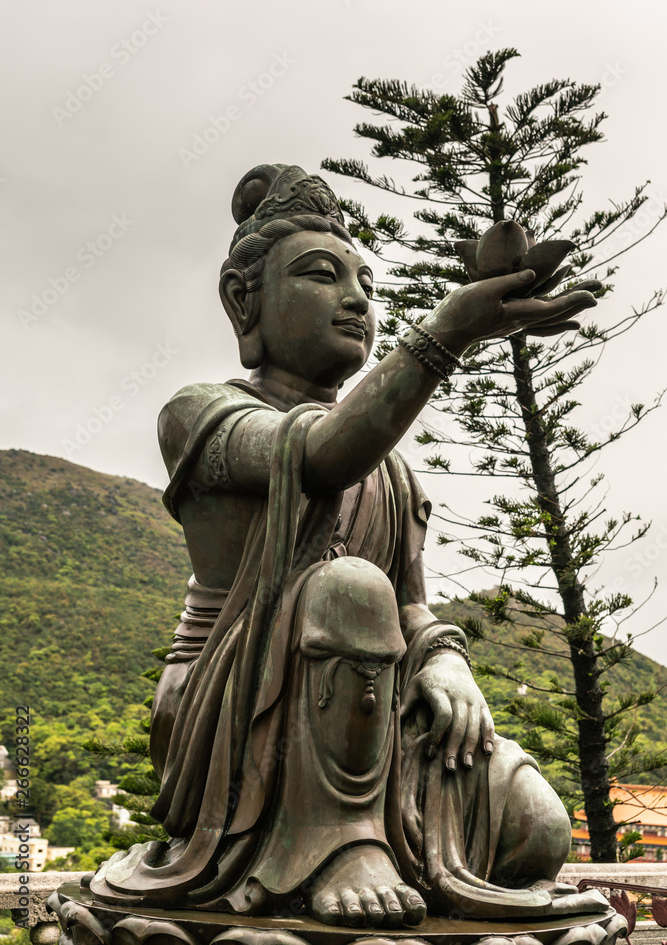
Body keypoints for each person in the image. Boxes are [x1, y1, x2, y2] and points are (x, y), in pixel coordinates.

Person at [90, 164, 607, 928]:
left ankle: (376, 832)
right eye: (321, 275)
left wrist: (444, 661)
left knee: (536, 833)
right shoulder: (201, 414)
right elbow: (324, 454)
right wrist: (450, 329)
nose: (357, 299)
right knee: (344, 585)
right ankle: (334, 842)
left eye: (365, 281)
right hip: (232, 715)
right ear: (244, 302)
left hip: (375, 709)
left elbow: (410, 604)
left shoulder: (390, 468)